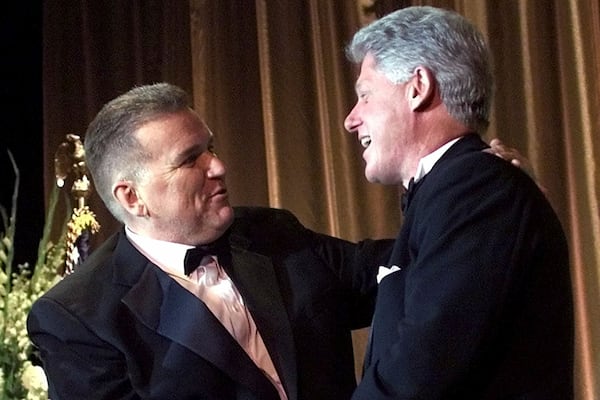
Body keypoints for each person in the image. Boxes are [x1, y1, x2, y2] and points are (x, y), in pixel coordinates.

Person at [27, 82, 394, 400]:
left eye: (211, 149)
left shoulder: (272, 232)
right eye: (190, 160)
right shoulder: (76, 317)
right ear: (132, 198)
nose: (218, 167)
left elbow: (396, 267)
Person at [343, 6, 573, 399]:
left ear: (418, 87)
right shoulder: (456, 190)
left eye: (365, 96)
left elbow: (419, 373)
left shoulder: (476, 188)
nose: (351, 120)